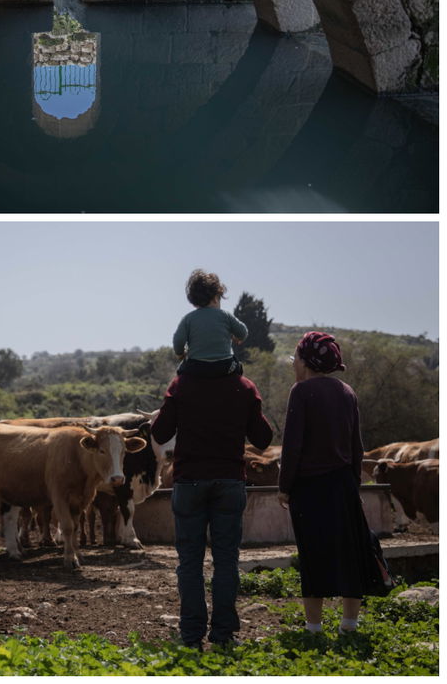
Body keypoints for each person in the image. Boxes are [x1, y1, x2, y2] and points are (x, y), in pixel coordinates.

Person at [152, 292, 274, 649]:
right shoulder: (243, 387)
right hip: (229, 482)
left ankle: (191, 637)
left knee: (189, 562)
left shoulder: (181, 385)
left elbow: (159, 433)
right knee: (226, 561)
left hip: (189, 482)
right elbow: (264, 439)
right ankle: (223, 635)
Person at [277, 331, 384, 633]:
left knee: (313, 555)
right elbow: (356, 448)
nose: (293, 364)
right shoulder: (347, 392)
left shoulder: (301, 392)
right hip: (342, 486)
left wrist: (284, 487)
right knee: (350, 553)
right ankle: (349, 624)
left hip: (309, 489)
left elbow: (292, 446)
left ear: (307, 361)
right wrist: (354, 487)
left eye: (295, 358)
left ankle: (314, 627)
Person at [172, 269, 247, 376]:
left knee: (181, 370)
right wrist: (238, 338)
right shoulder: (225, 315)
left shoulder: (188, 319)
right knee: (238, 367)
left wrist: (180, 353)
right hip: (224, 367)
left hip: (196, 368)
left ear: (194, 302)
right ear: (216, 298)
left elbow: (178, 340)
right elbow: (243, 332)